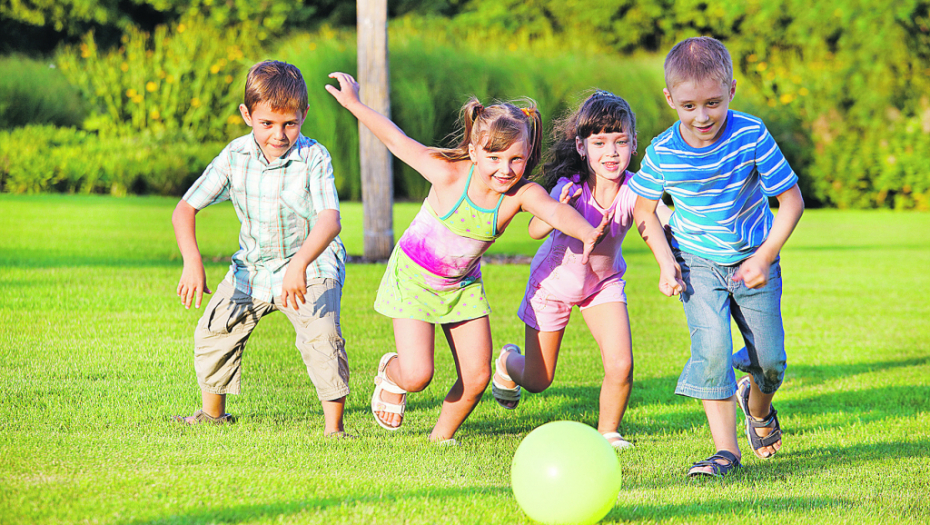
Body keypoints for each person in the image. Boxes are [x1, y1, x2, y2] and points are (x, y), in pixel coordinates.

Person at [325, 72, 609, 443]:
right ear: (474, 151)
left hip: (461, 286)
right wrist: (354, 104)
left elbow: (554, 212)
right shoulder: (447, 174)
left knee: (476, 377)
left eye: (516, 159)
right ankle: (392, 374)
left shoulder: (520, 194)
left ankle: (440, 439)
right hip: (413, 280)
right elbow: (397, 140)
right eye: (494, 156)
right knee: (417, 375)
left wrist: (587, 231)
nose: (505, 169)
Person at [630, 37, 804, 476]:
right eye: (688, 106)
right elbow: (643, 210)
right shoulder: (663, 151)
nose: (702, 116)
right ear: (670, 99)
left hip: (752, 261)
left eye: (712, 102)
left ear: (731, 91)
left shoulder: (750, 134)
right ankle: (726, 451)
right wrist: (666, 262)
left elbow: (792, 200)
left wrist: (765, 257)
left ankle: (758, 407)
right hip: (697, 264)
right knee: (710, 351)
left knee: (771, 361)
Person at [171, 60, 351, 438]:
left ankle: (334, 430)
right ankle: (212, 415)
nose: (279, 134)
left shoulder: (314, 158)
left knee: (321, 337)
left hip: (311, 264)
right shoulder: (235, 156)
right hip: (252, 269)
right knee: (215, 328)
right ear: (247, 115)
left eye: (290, 123)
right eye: (267, 123)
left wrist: (300, 262)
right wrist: (192, 261)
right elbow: (185, 208)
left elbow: (330, 220)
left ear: (304, 115)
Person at [492, 90, 672, 450]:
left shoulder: (636, 189)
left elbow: (656, 220)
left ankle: (608, 432)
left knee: (621, 364)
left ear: (634, 144)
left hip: (602, 285)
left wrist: (670, 261)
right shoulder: (569, 188)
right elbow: (534, 230)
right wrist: (556, 207)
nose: (611, 152)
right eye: (600, 142)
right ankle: (507, 362)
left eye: (620, 141)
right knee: (538, 379)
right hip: (553, 286)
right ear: (581, 147)